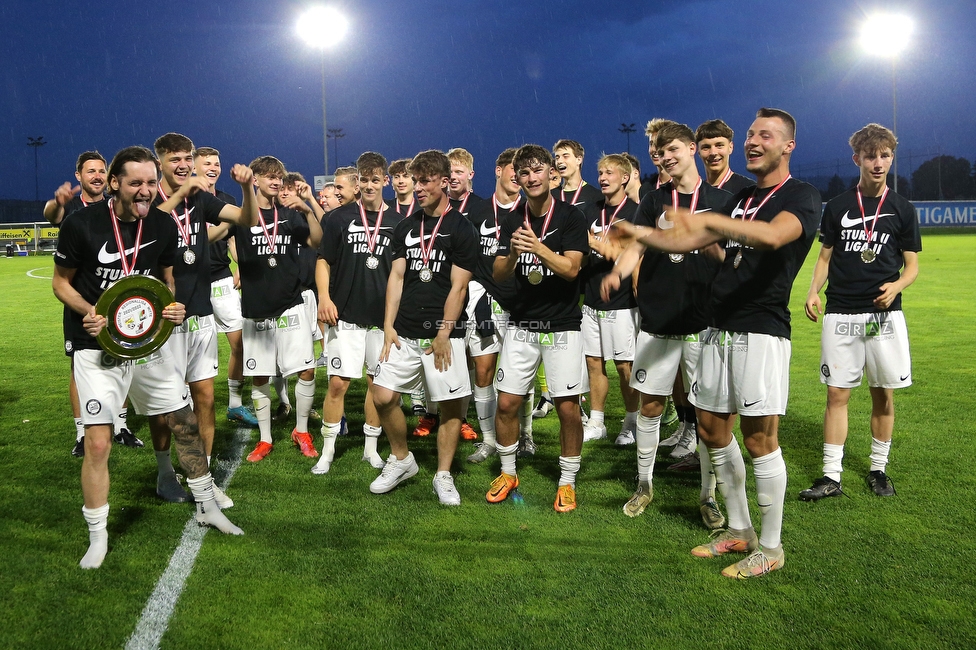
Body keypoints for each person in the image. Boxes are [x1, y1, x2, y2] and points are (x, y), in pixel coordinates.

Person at [614, 108, 821, 578]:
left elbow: (771, 237)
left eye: (764, 135)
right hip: (715, 325)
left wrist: (710, 224)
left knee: (759, 439)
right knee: (711, 430)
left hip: (761, 328)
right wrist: (638, 233)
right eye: (750, 134)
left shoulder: (801, 196)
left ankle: (770, 548)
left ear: (788, 145)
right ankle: (741, 531)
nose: (752, 141)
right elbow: (692, 242)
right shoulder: (743, 196)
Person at [52, 146, 243, 568]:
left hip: (147, 343)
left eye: (151, 183)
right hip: (96, 345)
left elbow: (167, 280)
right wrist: (90, 311)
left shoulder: (161, 224)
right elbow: (60, 283)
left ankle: (208, 505)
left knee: (185, 423)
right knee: (98, 442)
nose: (145, 191)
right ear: (115, 184)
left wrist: (172, 306)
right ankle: (97, 536)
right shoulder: (82, 224)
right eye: (135, 182)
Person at [601, 123, 732, 530]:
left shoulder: (721, 200)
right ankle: (643, 485)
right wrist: (618, 274)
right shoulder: (654, 199)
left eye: (673, 148)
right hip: (658, 322)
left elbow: (731, 259)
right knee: (652, 405)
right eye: (660, 151)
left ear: (690, 148)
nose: (666, 155)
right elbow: (635, 245)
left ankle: (708, 497)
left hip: (704, 323)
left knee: (708, 414)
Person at [800, 123, 920, 501]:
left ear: (891, 158)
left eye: (885, 155)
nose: (878, 162)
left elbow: (912, 266)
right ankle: (830, 476)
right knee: (837, 394)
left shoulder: (902, 209)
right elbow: (824, 256)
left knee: (883, 394)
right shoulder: (837, 207)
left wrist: (897, 286)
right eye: (871, 156)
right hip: (841, 313)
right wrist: (813, 290)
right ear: (858, 159)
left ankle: (878, 469)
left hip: (884, 317)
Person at [151, 133, 257, 507]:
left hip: (200, 312)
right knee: (166, 406)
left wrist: (246, 189)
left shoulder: (202, 199)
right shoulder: (152, 195)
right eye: (175, 159)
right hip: (163, 317)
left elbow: (247, 218)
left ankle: (204, 477)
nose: (182, 164)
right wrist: (182, 194)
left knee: (205, 398)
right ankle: (165, 473)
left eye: (187, 157)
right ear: (160, 161)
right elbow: (147, 225)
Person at [369, 150, 480, 505]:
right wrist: (388, 325)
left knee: (449, 406)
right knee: (383, 396)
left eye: (425, 181)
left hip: (443, 334)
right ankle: (402, 460)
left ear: (445, 182)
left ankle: (443, 475)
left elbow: (458, 287)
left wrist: (445, 332)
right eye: (416, 180)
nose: (418, 187)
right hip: (405, 330)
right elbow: (397, 277)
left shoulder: (461, 228)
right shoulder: (405, 226)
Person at [488, 144, 588, 512]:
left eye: (537, 170)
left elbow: (572, 269)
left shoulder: (572, 217)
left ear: (552, 174)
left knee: (567, 408)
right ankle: (509, 471)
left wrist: (538, 247)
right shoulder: (513, 219)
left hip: (562, 325)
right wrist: (514, 254)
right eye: (524, 172)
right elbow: (498, 273)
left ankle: (567, 481)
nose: (531, 178)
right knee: (507, 402)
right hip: (522, 323)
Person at [43, 152, 144, 455]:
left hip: (118, 299)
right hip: (80, 298)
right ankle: (81, 433)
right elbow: (52, 215)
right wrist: (57, 202)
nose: (97, 176)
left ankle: (121, 425)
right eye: (91, 171)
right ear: (79, 176)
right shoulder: (72, 207)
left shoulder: (117, 206)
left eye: (102, 171)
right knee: (79, 366)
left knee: (124, 358)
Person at [313, 151, 403, 473]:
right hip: (345, 315)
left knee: (377, 388)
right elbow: (323, 260)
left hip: (381, 320)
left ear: (385, 182)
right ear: (357, 181)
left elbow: (400, 274)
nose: (368, 185)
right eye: (363, 179)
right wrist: (324, 297)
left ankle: (370, 448)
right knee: (337, 384)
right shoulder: (338, 218)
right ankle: (327, 451)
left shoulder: (398, 223)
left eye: (375, 179)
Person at [232, 156, 323, 462]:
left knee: (306, 370)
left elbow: (316, 241)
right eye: (268, 176)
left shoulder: (289, 214)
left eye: (279, 177)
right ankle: (265, 438)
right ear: (254, 179)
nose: (275, 181)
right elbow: (220, 237)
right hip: (257, 306)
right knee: (260, 376)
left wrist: (308, 211)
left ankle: (301, 430)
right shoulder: (242, 215)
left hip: (290, 302)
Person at [464, 147, 526, 463]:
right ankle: (488, 439)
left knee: (520, 373)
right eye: (512, 168)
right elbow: (465, 258)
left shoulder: (531, 212)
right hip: (484, 302)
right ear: (498, 170)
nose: (517, 175)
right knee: (484, 370)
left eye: (523, 170)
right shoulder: (476, 211)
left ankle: (524, 435)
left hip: (521, 305)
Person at [195, 146, 258, 429]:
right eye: (206, 163)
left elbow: (233, 240)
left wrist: (241, 265)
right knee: (190, 349)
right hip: (191, 282)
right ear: (193, 167)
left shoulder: (226, 200)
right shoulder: (185, 201)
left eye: (216, 163)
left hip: (221, 280)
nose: (213, 167)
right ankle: (186, 405)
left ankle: (234, 404)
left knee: (240, 343)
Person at [580, 154, 640, 445]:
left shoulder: (636, 213)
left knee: (624, 365)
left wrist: (594, 243)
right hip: (591, 298)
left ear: (625, 178)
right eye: (600, 172)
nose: (602, 178)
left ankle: (631, 422)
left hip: (623, 300)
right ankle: (597, 421)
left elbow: (627, 256)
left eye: (609, 173)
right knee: (593, 361)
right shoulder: (590, 210)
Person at [695, 119, 755, 195]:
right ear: (698, 151)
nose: (713, 153)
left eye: (719, 145)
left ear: (730, 147)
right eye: (706, 147)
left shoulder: (748, 190)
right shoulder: (696, 193)